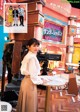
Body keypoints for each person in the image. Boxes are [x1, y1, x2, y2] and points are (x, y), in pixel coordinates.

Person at [16, 38, 41, 112]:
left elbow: (25, 70)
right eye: (34, 46)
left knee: (25, 105)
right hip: (30, 83)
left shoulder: (28, 55)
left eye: (37, 46)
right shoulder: (32, 58)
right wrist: (41, 81)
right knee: (29, 106)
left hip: (26, 82)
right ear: (28, 46)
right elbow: (33, 75)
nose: (36, 48)